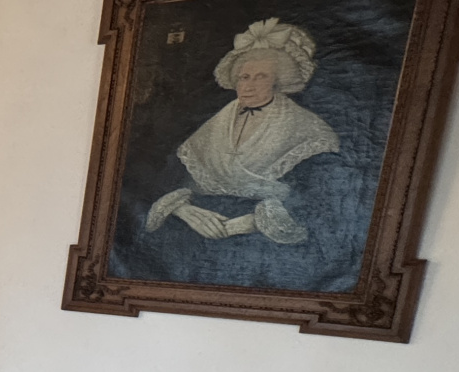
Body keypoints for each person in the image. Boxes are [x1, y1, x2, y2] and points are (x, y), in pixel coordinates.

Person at [145, 18, 338, 246]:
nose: (249, 86)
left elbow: (318, 201)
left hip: (263, 238)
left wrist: (252, 223)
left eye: (261, 76)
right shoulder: (217, 121)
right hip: (201, 226)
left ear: (278, 81)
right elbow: (174, 179)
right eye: (244, 77)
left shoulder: (307, 128)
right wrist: (183, 210)